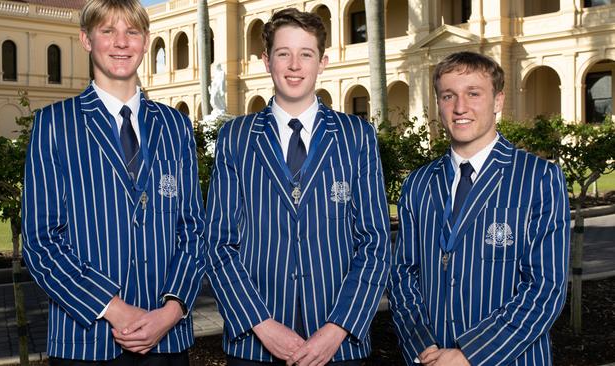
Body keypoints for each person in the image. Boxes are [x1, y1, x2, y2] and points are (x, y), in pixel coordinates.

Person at [21, 0, 205, 364]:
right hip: (87, 341)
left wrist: (170, 311)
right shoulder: (55, 125)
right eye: (108, 31)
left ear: (146, 41)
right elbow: (41, 243)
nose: (121, 43)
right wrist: (115, 309)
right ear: (86, 40)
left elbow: (194, 230)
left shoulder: (176, 126)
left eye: (131, 32)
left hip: (166, 342)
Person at [204, 8, 391, 366]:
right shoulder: (236, 138)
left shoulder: (356, 136)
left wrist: (338, 328)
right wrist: (261, 324)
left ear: (322, 62)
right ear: (265, 61)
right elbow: (219, 243)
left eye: (305, 54)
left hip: (339, 346)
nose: (294, 65)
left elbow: (375, 242)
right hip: (255, 345)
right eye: (283, 54)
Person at [387, 51, 570, 365]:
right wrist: (422, 346)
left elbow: (545, 289)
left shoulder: (538, 177)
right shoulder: (417, 184)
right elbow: (402, 275)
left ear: (498, 101)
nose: (460, 107)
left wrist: (470, 355)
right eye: (448, 96)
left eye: (473, 93)